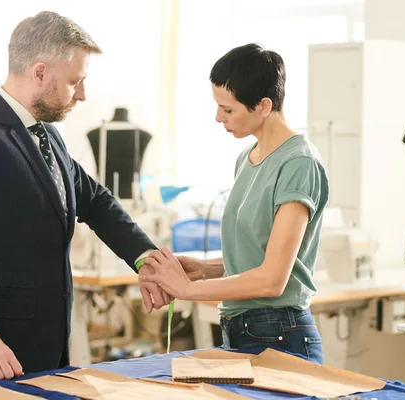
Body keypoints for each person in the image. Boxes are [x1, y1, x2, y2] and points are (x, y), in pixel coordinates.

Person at [0, 11, 170, 385]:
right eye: (75, 82)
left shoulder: (47, 134)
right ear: (40, 73)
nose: (82, 94)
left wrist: (146, 259)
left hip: (48, 350)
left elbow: (95, 200)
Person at [140, 43, 329, 363]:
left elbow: (272, 279)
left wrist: (187, 291)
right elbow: (258, 252)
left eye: (228, 110)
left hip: (280, 331)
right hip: (240, 329)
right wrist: (205, 269)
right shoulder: (247, 158)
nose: (218, 117)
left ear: (264, 106)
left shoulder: (299, 163)